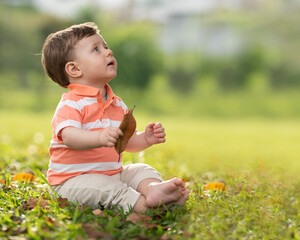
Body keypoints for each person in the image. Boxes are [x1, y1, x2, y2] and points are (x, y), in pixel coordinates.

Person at [41, 22, 189, 213]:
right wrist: (99, 138)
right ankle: (146, 207)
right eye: (96, 49)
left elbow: (126, 143)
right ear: (74, 69)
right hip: (72, 182)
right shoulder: (71, 104)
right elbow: (70, 137)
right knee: (108, 188)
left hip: (112, 174)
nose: (108, 52)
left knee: (140, 170)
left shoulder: (117, 104)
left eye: (106, 47)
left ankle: (153, 190)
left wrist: (145, 138)